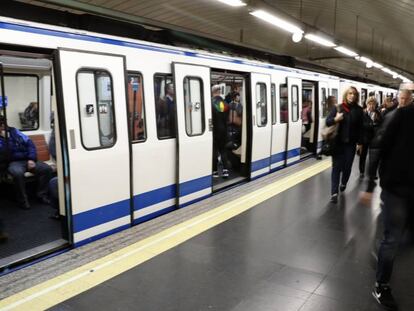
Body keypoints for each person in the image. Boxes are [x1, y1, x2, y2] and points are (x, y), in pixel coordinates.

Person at [359, 103, 414, 311]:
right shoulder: (401, 115)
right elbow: (378, 147)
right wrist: (370, 183)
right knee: (392, 239)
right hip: (396, 187)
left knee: (407, 239)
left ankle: (382, 254)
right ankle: (381, 285)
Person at [0, 115, 52, 209]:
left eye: (4, 123)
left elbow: (30, 144)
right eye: (1, 124)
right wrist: (6, 139)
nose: (3, 126)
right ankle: (23, 201)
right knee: (18, 173)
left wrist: (31, 158)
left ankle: (41, 195)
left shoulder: (14, 131)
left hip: (28, 159)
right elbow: (5, 154)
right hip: (14, 162)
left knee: (46, 169)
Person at [326, 86, 363, 203]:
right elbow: (328, 122)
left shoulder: (359, 110)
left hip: (350, 145)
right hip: (337, 144)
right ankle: (334, 193)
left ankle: (344, 182)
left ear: (356, 96)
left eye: (354, 94)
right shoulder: (338, 108)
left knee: (347, 168)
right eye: (350, 93)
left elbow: (361, 129)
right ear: (346, 95)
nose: (352, 96)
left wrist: (360, 143)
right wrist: (335, 119)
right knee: (336, 168)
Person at [358, 97, 382, 179]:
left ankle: (373, 174)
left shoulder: (378, 114)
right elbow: (360, 128)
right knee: (363, 156)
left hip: (374, 139)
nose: (371, 106)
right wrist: (359, 142)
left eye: (373, 104)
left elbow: (380, 126)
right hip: (364, 139)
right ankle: (361, 171)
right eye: (370, 104)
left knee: (374, 158)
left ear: (376, 105)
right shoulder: (362, 113)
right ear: (367, 104)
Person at [211, 85, 229, 178]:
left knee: (214, 151)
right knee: (223, 150)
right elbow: (227, 118)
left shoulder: (211, 103)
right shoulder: (225, 103)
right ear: (219, 91)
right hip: (224, 130)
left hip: (214, 131)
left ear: (213, 91)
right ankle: (225, 170)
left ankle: (215, 172)